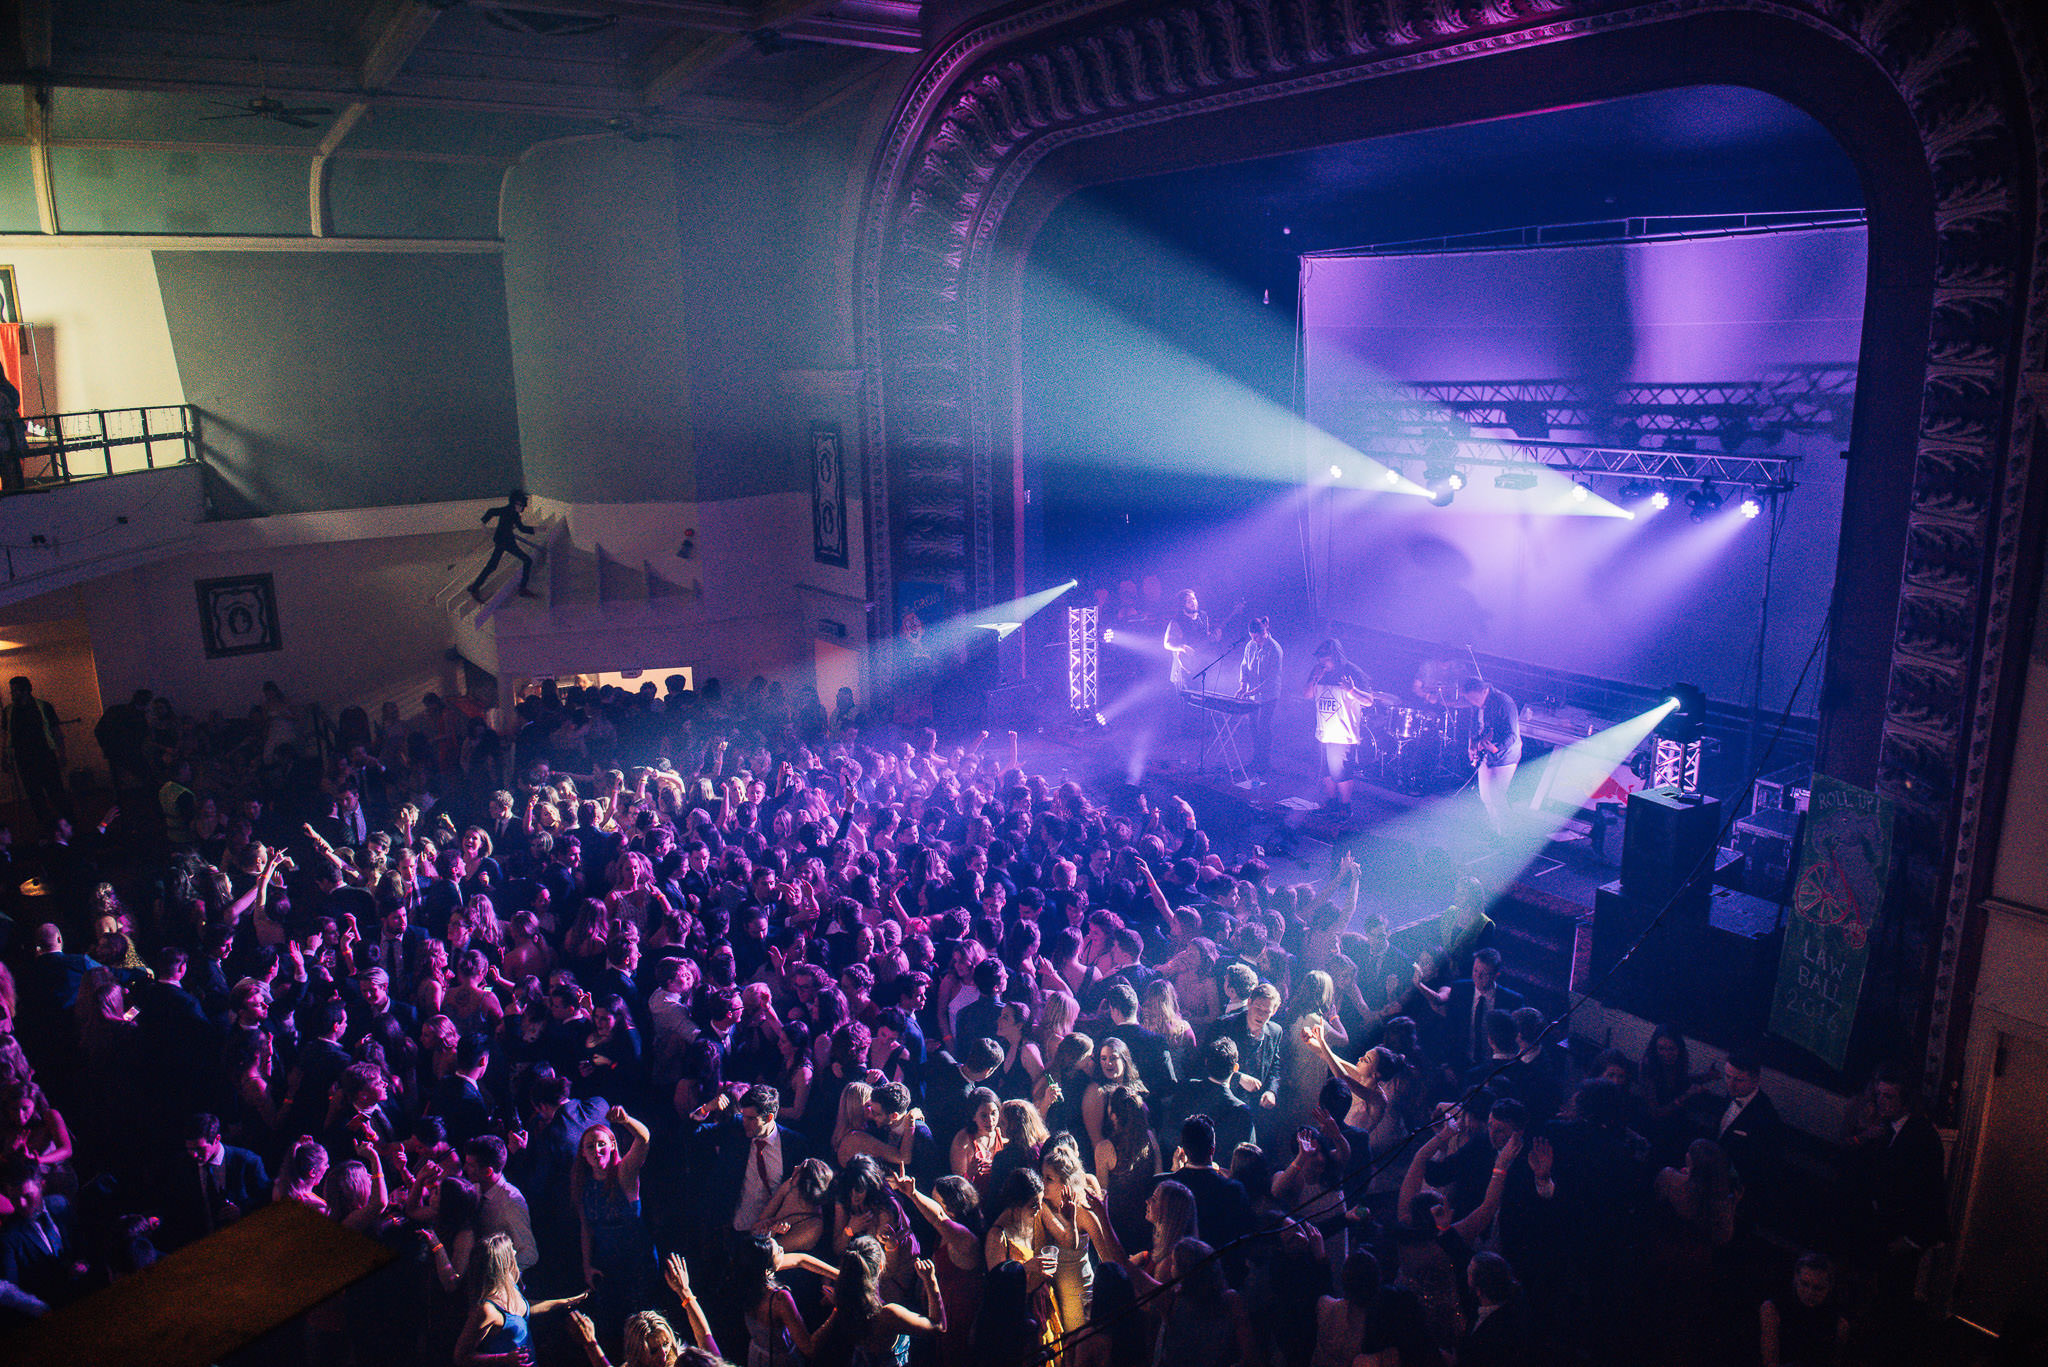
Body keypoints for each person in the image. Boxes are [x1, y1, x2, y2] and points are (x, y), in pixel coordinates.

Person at [456, 1231, 588, 1366]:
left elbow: (524, 1308)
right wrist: (504, 1358)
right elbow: (461, 1357)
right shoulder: (487, 1310)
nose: (515, 1252)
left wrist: (564, 1302)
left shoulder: (510, 1286)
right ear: (503, 1260)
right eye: (511, 1250)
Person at [1303, 641, 1373, 813]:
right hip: (1323, 732)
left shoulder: (1353, 672)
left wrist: (1352, 690)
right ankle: (1331, 802)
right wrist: (1315, 678)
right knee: (1326, 771)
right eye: (1320, 660)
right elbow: (1306, 695)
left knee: (1341, 773)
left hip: (1343, 734)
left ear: (1335, 657)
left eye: (1325, 659)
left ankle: (1344, 806)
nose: (1322, 663)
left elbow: (1369, 701)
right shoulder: (1318, 671)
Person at [3, 676, 70, 831]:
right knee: (35, 795)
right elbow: (6, 736)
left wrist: (62, 753)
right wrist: (5, 756)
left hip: (44, 755)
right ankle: (47, 826)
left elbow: (56, 732)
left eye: (14, 691)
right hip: (24, 758)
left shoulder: (43, 706)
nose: (12, 694)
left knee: (55, 792)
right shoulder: (9, 710)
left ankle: (67, 824)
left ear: (25, 690)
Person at [1460, 677, 1521, 837]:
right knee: (1486, 796)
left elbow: (1512, 735)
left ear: (1484, 691)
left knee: (1497, 797)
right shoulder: (1480, 705)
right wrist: (1472, 742)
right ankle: (1498, 831)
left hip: (1505, 755)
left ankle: (1508, 835)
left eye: (1475, 698)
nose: (1473, 702)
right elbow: (1479, 727)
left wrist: (1496, 749)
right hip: (1488, 752)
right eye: (1470, 700)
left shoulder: (1504, 702)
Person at [469, 489, 540, 601]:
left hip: (503, 540)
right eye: (521, 506)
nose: (522, 508)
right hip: (506, 541)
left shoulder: (512, 513)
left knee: (492, 565)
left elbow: (493, 512)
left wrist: (483, 524)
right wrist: (537, 529)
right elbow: (521, 528)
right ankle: (522, 589)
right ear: (516, 503)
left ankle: (475, 586)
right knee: (527, 560)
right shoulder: (511, 512)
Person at [1234, 616, 1284, 778]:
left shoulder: (1275, 649)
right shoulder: (1250, 646)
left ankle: (1264, 762)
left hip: (1268, 695)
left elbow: (1271, 678)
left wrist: (1253, 691)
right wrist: (1243, 685)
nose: (1254, 640)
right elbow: (1244, 665)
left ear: (1265, 632)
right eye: (1251, 637)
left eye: (1256, 637)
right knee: (1253, 728)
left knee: (1264, 727)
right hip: (1252, 694)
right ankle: (1256, 760)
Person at [1164, 590, 1220, 691]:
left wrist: (1214, 637)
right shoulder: (1177, 621)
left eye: (1194, 599)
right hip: (1184, 668)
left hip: (1201, 664)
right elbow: (1167, 644)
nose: (1193, 602)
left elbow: (1204, 636)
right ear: (1183, 605)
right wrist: (1182, 647)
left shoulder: (1203, 616)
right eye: (1189, 601)